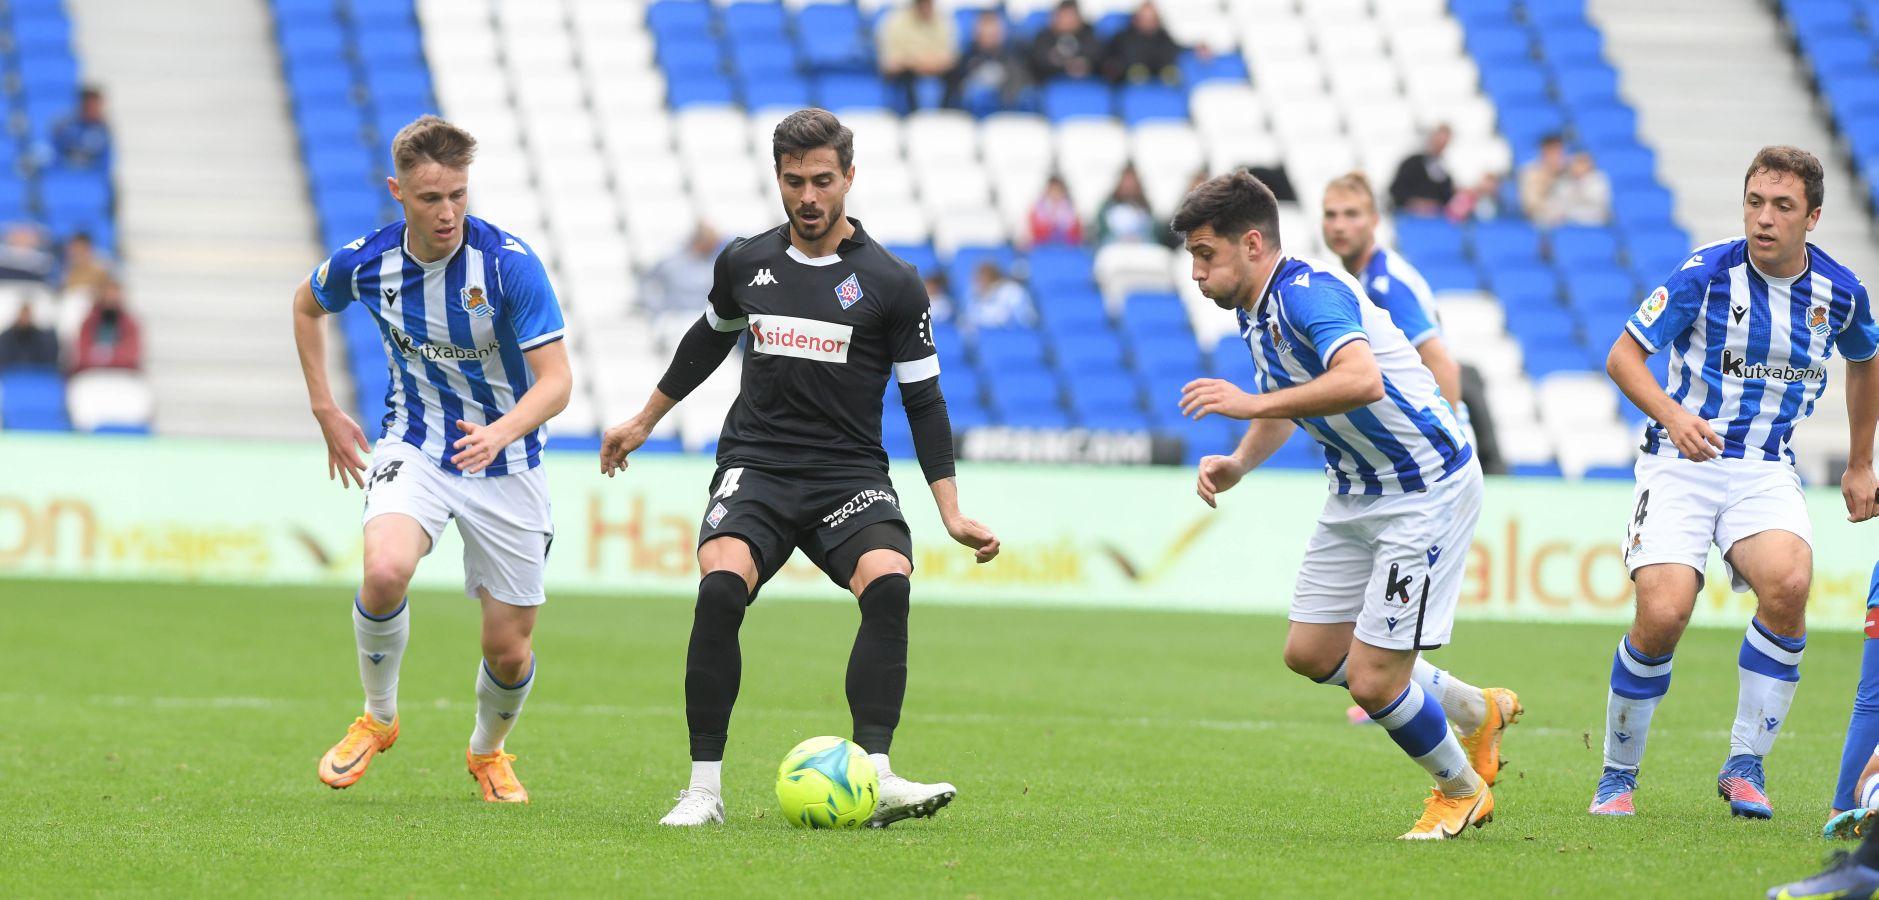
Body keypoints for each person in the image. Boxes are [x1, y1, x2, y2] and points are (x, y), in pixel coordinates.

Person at [598, 108, 1000, 828]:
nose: (808, 197)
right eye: (794, 182)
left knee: (888, 583)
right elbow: (706, 342)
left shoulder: (892, 283)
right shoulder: (744, 262)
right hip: (757, 466)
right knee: (720, 588)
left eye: (822, 181)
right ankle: (704, 792)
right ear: (777, 179)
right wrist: (642, 419)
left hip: (848, 476)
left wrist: (949, 509)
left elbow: (925, 399)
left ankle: (875, 776)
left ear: (849, 178)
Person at [1174, 170, 1493, 839]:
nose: (1196, 272)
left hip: (1422, 487)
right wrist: (1237, 461)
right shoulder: (1252, 311)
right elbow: (1284, 405)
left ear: (1252, 244)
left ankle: (1460, 791)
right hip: (1356, 489)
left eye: (1205, 254)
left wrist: (1250, 402)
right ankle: (1473, 709)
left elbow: (1361, 379)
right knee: (1311, 653)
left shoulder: (1305, 293)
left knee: (1376, 681)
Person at [1588, 146, 1879, 820]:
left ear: (1812, 216)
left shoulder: (1840, 291)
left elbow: (1865, 359)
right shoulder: (1704, 273)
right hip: (1678, 461)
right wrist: (1671, 413)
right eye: (1754, 202)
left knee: (1788, 583)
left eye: (1781, 206)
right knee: (1662, 614)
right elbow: (1622, 356)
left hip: (1764, 467)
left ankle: (1744, 762)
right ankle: (1615, 776)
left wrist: (1861, 461)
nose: (1763, 218)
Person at [291, 116, 572, 805]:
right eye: (429, 198)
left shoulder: (507, 264)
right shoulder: (367, 260)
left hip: (506, 464)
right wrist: (325, 407)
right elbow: (305, 304)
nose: (446, 212)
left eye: (457, 195)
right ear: (397, 191)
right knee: (384, 569)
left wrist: (502, 431)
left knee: (507, 649)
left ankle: (487, 752)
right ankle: (378, 717)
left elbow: (557, 381)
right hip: (414, 445)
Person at [877, 0, 957, 112]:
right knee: (905, 78)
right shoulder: (895, 21)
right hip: (906, 72)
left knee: (956, 75)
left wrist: (920, 62)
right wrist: (914, 62)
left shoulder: (943, 20)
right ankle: (910, 116)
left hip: (936, 69)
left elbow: (950, 58)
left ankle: (945, 114)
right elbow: (889, 63)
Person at [949, 10, 1030, 115]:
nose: (989, 35)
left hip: (1004, 114)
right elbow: (959, 92)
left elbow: (1016, 88)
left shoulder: (1012, 58)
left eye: (993, 32)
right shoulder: (966, 59)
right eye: (985, 30)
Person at [1093, 163, 1176, 248]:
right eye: (1126, 182)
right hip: (1114, 247)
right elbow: (1102, 234)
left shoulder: (1146, 209)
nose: (1129, 186)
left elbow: (1155, 234)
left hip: (1143, 247)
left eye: (1132, 182)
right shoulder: (1107, 208)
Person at [1101, 2, 1183, 85]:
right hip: (1126, 84)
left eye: (1151, 19)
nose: (1147, 22)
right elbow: (1111, 58)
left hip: (1156, 84)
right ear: (1136, 19)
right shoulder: (1123, 38)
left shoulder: (1164, 39)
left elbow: (1172, 56)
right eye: (1144, 18)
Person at [71, 278, 140, 372]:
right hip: (92, 372)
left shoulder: (130, 323)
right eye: (108, 295)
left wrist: (107, 357)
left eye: (114, 295)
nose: (111, 299)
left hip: (122, 373)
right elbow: (82, 352)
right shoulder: (89, 321)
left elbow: (131, 354)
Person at [1389, 125, 1455, 215]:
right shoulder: (1411, 162)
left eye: (1445, 142)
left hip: (1434, 221)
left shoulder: (1442, 170)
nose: (1441, 144)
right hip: (1409, 218)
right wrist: (1414, 203)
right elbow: (1396, 190)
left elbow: (1447, 198)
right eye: (1439, 140)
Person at [1029, 0, 1101, 82]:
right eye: (1063, 16)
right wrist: (1062, 65)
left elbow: (1097, 56)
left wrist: (1083, 64)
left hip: (1086, 84)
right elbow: (1037, 60)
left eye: (1070, 16)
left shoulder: (1089, 33)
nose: (1067, 21)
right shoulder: (1044, 36)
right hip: (1052, 82)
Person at [50, 86, 111, 172]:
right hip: (66, 176)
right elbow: (55, 156)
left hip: (91, 179)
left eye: (97, 106)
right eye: (90, 106)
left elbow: (106, 162)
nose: (94, 110)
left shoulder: (103, 130)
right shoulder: (65, 128)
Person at [964, 260, 1037, 333]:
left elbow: (1026, 319)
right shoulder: (973, 294)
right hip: (988, 339)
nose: (978, 282)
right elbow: (971, 322)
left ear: (991, 277)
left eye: (981, 277)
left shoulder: (1012, 291)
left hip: (1014, 336)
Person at [1027, 175, 1082, 247]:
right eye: (1052, 190)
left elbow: (1076, 235)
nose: (1055, 193)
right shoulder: (1039, 208)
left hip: (1065, 249)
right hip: (1043, 248)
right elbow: (1034, 232)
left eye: (1058, 190)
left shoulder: (1069, 208)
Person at [0, 303, 58, 370]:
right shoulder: (6, 337)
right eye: (23, 315)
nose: (25, 319)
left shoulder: (40, 338)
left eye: (27, 316)